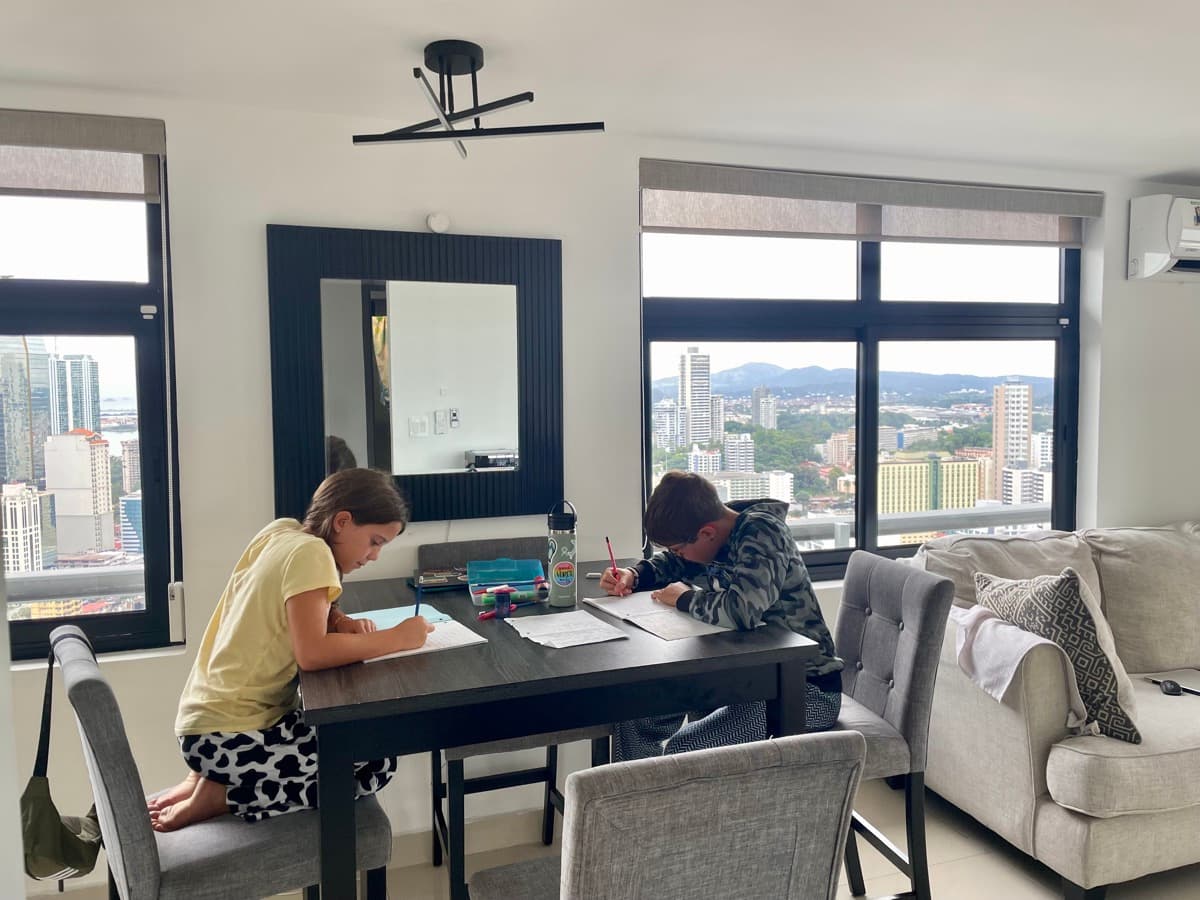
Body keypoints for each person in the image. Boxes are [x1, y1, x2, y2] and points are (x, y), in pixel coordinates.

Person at [148, 468, 431, 831]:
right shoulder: (313, 555)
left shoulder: (283, 532)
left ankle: (205, 779)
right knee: (378, 759)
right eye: (375, 541)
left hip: (205, 726)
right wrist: (399, 638)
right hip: (231, 737)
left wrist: (340, 620)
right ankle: (226, 796)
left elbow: (290, 604)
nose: (374, 555)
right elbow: (312, 653)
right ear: (342, 521)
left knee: (347, 729)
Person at [599, 471, 843, 760]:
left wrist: (685, 598)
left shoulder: (763, 533)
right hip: (736, 678)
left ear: (707, 533)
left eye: (679, 548)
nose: (678, 555)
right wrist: (634, 575)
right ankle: (632, 805)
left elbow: (743, 611)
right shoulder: (712, 532)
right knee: (634, 718)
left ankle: (674, 804)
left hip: (803, 690)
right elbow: (673, 563)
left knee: (686, 751)